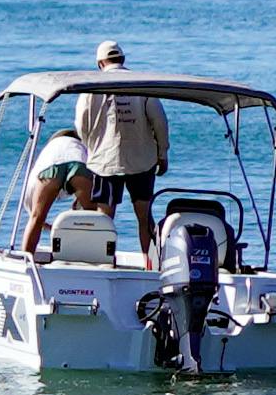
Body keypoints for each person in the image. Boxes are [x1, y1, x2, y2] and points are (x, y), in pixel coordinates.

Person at [20, 41, 175, 259]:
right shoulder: (141, 84)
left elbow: (82, 124)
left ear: (100, 63)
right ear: (123, 60)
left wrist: (91, 147)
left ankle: (103, 263)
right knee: (144, 217)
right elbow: (159, 122)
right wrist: (162, 154)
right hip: (142, 162)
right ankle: (150, 264)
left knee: (103, 219)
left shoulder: (92, 87)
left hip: (106, 163)